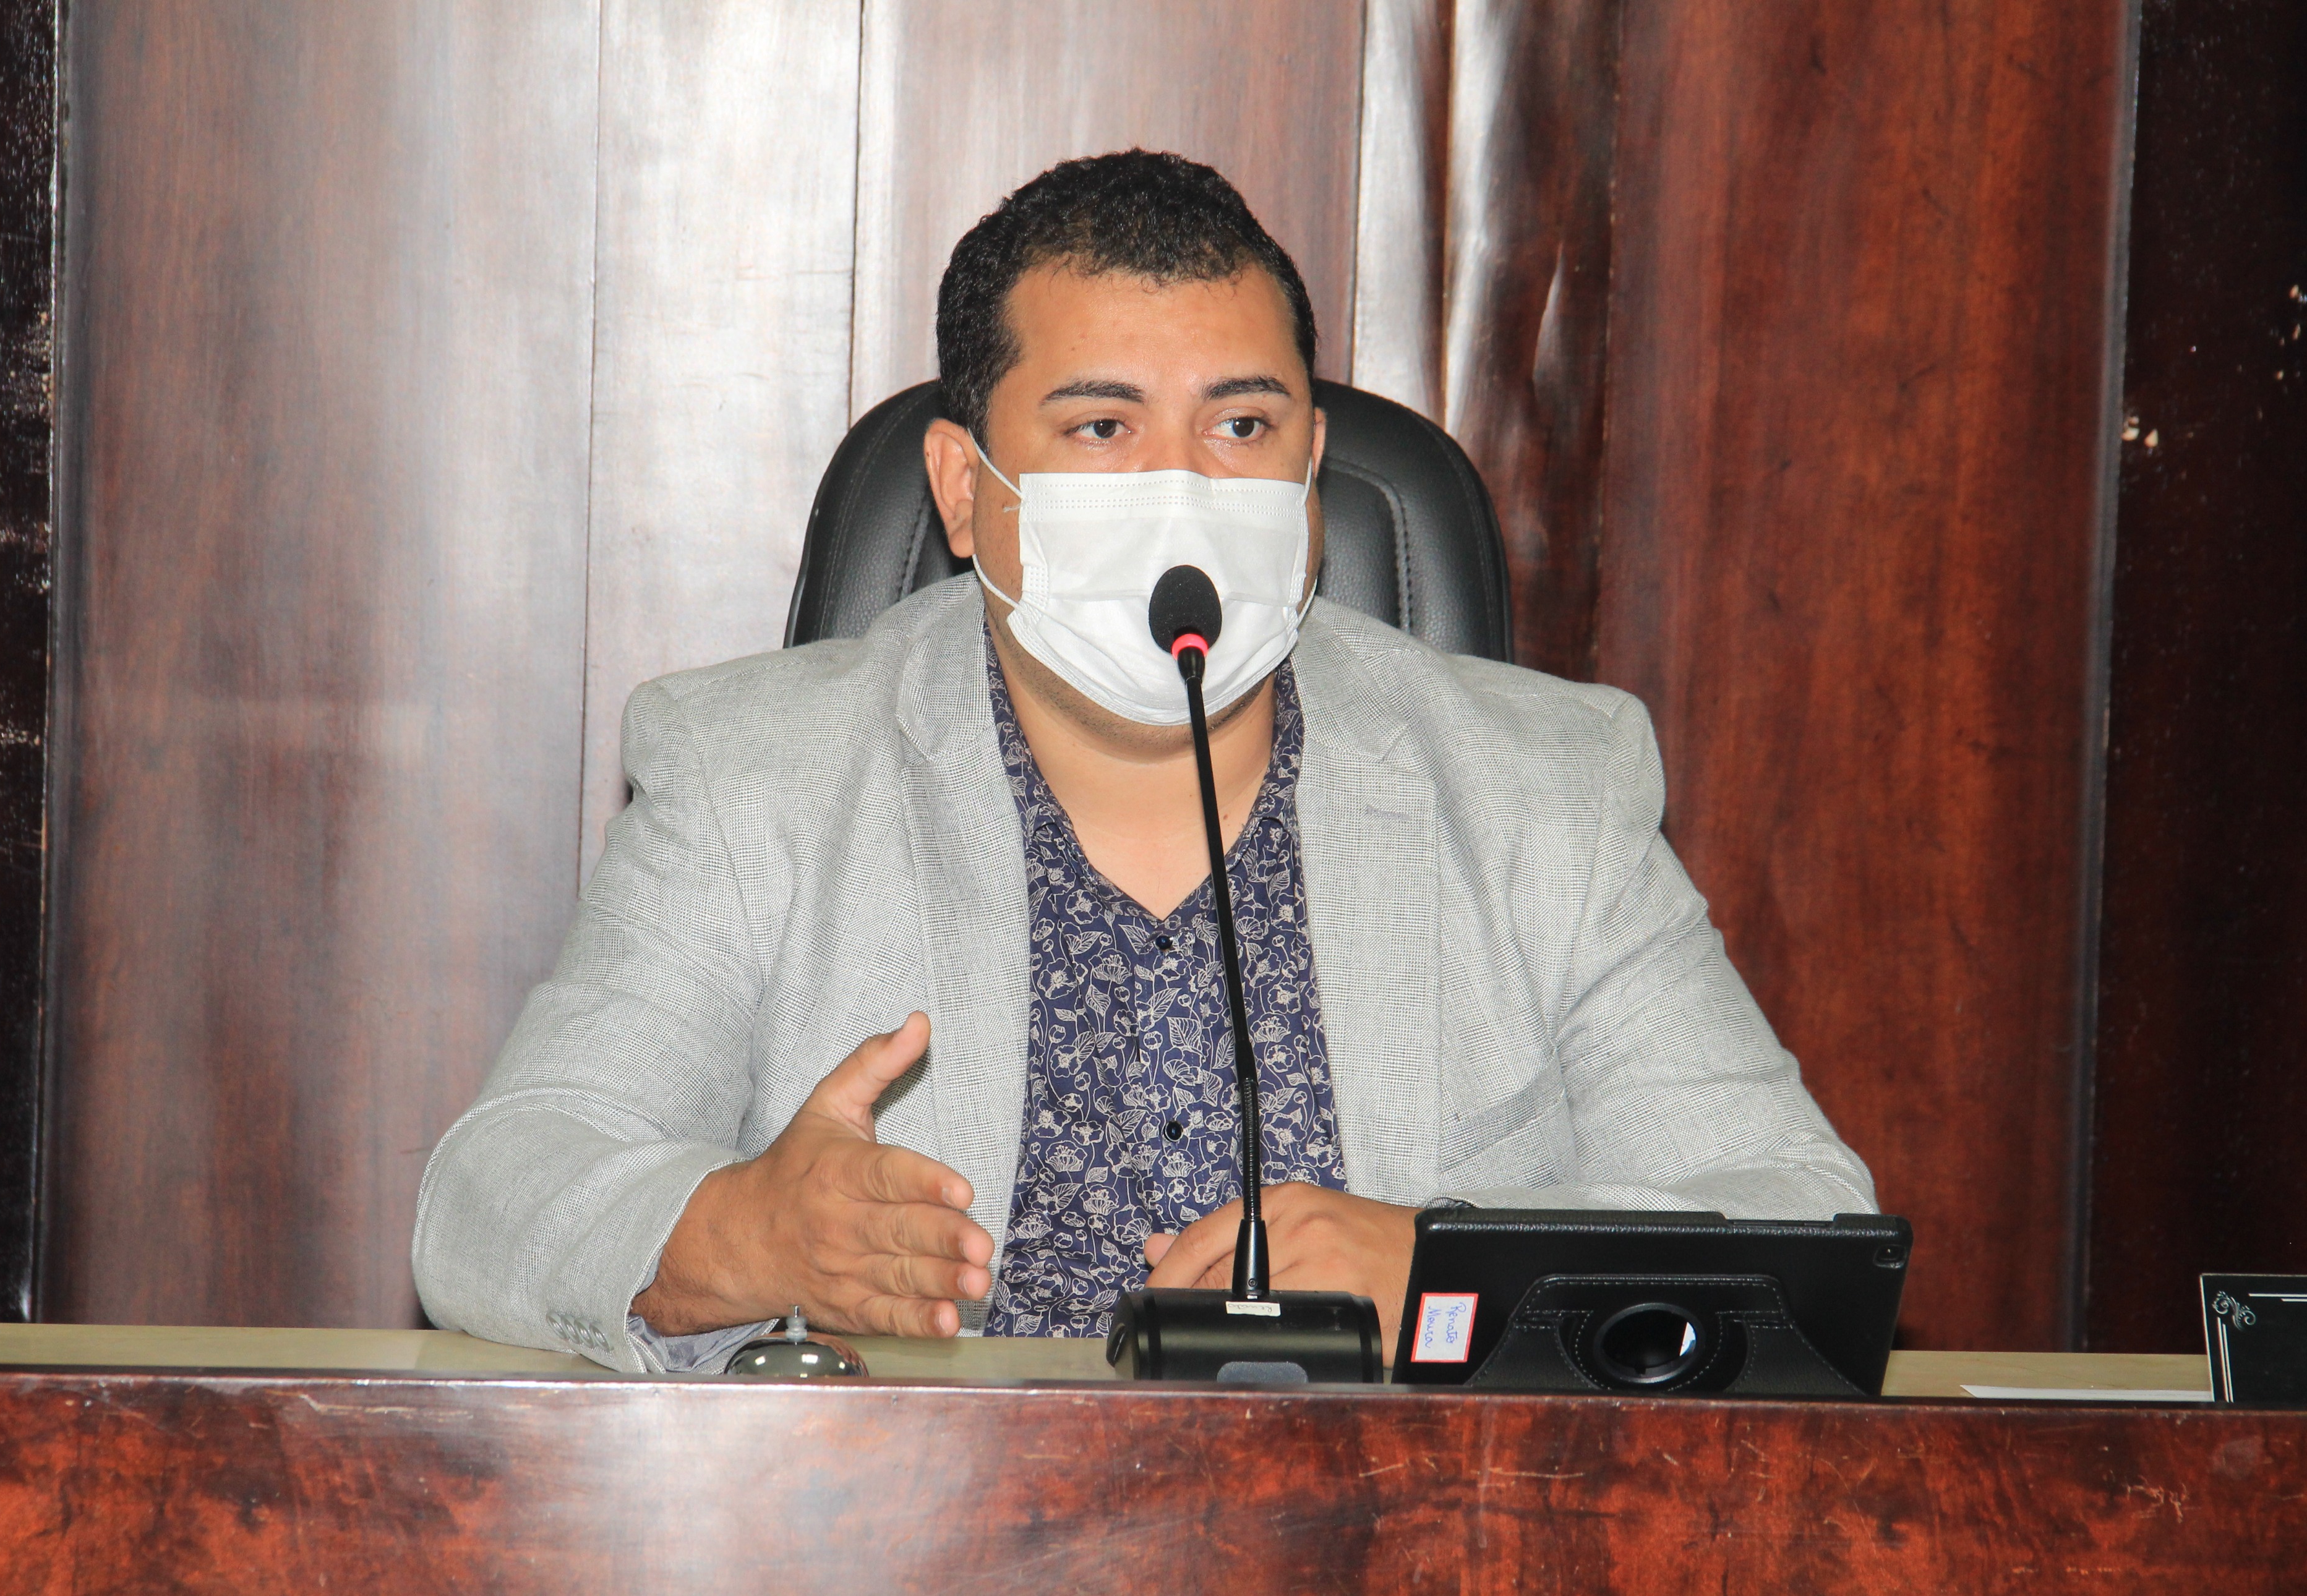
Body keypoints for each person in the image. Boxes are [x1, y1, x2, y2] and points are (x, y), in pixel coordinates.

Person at [412, 151, 1875, 1373]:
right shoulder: (757, 778)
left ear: (1311, 468)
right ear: (964, 490)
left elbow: (1803, 1223)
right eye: (1103, 426)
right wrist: (742, 1237)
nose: (1183, 491)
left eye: (1241, 425)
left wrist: (1448, 1267)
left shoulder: (1542, 790)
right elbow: (491, 1196)